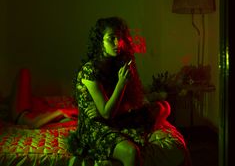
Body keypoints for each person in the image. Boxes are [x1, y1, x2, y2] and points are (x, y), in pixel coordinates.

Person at [68, 17, 191, 166]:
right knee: (131, 152)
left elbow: (129, 103)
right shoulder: (90, 70)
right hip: (95, 126)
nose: (117, 43)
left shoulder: (117, 63)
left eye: (119, 38)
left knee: (163, 106)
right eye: (111, 38)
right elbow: (106, 113)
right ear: (100, 41)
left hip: (115, 117)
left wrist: (118, 107)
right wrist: (121, 84)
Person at [10, 68, 78, 128]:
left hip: (23, 114)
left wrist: (60, 112)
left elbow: (33, 125)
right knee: (24, 73)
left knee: (24, 72)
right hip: (34, 107)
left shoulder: (73, 117)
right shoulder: (72, 105)